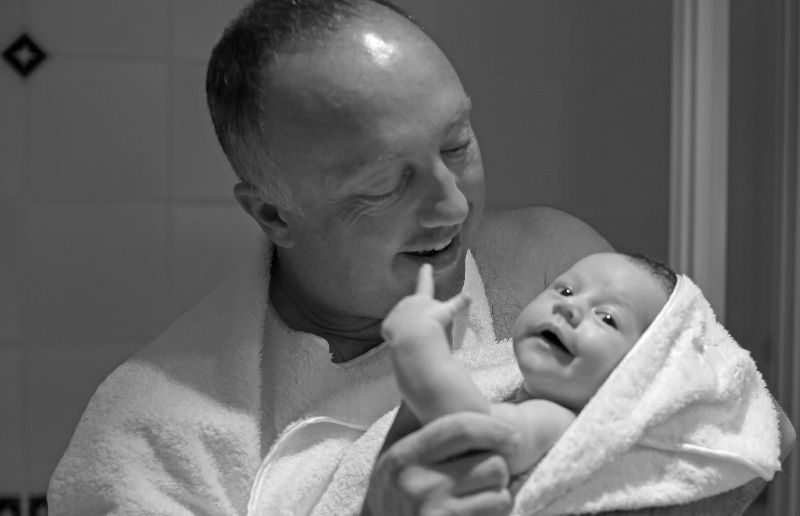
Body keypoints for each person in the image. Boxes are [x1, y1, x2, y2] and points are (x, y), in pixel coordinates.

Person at [47, 1, 794, 515]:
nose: (453, 205)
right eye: (384, 185)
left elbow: (730, 441)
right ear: (273, 214)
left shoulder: (553, 261)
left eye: (457, 144)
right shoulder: (152, 433)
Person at [382, 253, 675, 476]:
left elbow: (473, 433)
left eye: (607, 318)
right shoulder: (520, 394)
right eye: (566, 291)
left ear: (642, 370)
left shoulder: (558, 421)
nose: (570, 307)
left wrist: (419, 348)